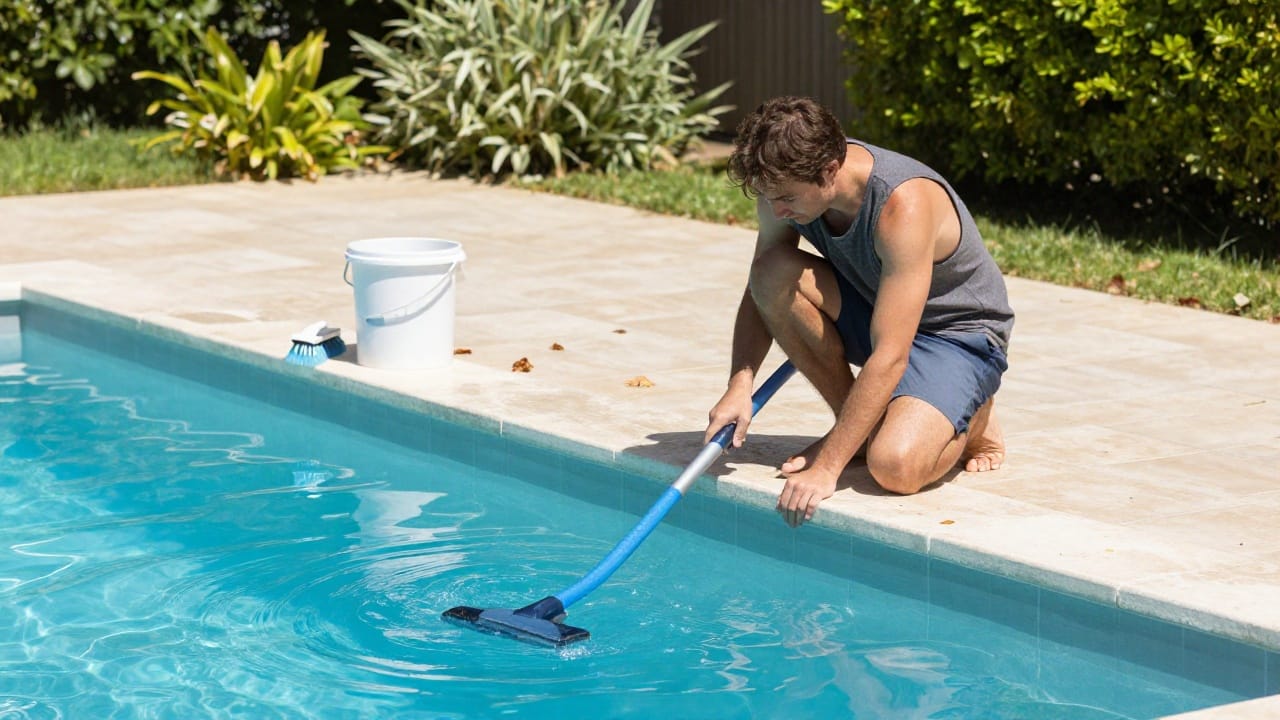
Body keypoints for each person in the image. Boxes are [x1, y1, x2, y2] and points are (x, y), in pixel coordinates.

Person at [704, 96, 1014, 528]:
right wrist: (741, 382)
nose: (777, 211)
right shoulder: (783, 186)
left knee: (894, 468)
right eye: (769, 197)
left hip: (956, 335)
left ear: (830, 170)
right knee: (772, 273)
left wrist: (828, 467)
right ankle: (862, 434)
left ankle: (973, 418)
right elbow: (760, 285)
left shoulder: (902, 205)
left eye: (787, 198)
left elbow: (890, 354)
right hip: (876, 306)